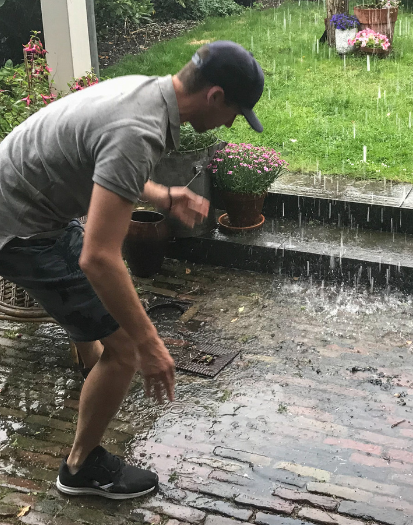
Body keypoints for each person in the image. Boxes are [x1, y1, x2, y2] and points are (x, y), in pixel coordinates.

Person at [0, 41, 264, 500]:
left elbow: (102, 162)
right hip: (20, 230)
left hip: (29, 210)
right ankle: (80, 470)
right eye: (236, 113)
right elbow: (99, 258)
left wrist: (161, 194)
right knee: (124, 347)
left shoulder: (144, 93)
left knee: (103, 320)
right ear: (215, 96)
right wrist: (150, 343)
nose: (230, 123)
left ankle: (93, 374)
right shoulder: (139, 129)